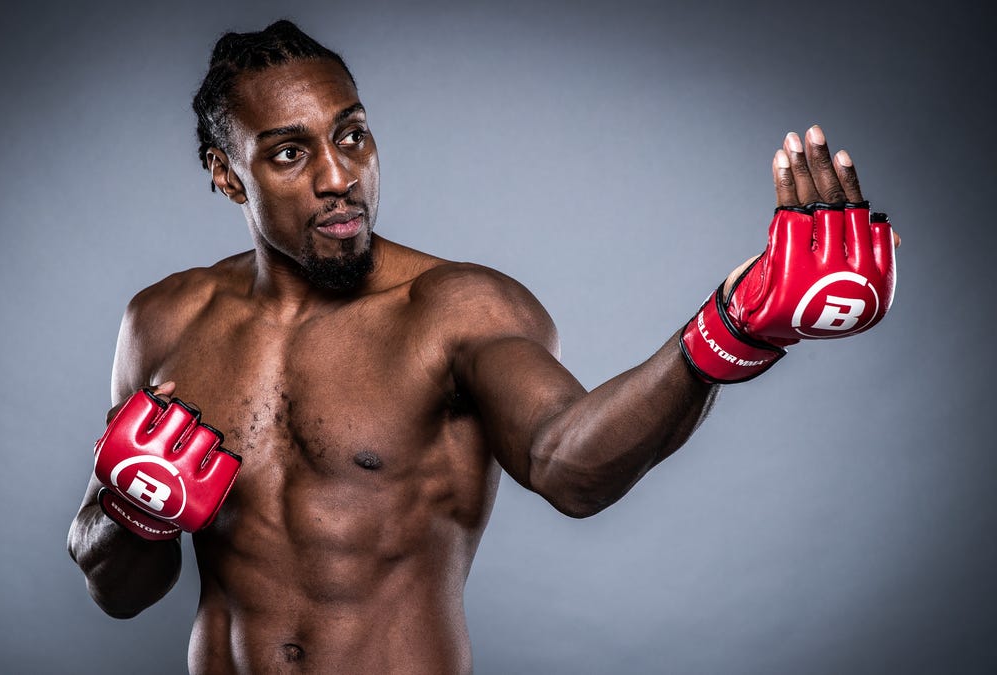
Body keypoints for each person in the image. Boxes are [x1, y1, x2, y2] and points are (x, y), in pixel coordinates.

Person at [67, 20, 897, 673]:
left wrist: (731, 328)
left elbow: (566, 461)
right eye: (290, 152)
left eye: (352, 136)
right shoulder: (163, 322)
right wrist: (129, 514)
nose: (338, 176)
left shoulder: (455, 309)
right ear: (226, 173)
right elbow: (120, 591)